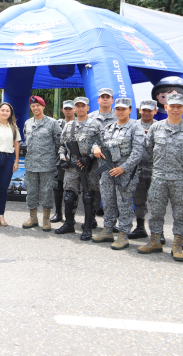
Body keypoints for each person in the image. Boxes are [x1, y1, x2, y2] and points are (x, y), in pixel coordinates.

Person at [138, 94, 183, 261]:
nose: (175, 109)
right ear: (165, 107)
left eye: (179, 107)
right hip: (158, 176)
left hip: (181, 177)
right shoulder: (156, 128)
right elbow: (148, 149)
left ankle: (177, 245)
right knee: (156, 211)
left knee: (180, 213)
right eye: (172, 106)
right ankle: (155, 241)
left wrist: (181, 167)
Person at [91, 98, 146, 249]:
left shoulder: (135, 127)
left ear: (129, 110)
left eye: (123, 109)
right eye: (118, 109)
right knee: (108, 201)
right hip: (108, 170)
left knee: (124, 202)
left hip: (125, 173)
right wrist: (95, 148)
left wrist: (123, 168)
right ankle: (108, 229)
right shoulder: (109, 127)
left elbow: (138, 151)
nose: (120, 111)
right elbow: (97, 141)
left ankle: (123, 234)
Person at [57, 96, 102, 239]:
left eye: (84, 106)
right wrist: (63, 157)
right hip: (72, 166)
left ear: (88, 108)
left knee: (89, 197)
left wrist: (90, 157)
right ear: (74, 108)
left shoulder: (95, 124)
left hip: (89, 166)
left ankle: (88, 227)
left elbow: (100, 145)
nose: (80, 108)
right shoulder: (68, 125)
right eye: (78, 106)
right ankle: (69, 223)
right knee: (69, 196)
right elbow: (62, 145)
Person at [22, 96, 63, 232]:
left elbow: (59, 143)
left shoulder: (52, 123)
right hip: (31, 164)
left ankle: (46, 219)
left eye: (38, 105)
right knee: (31, 191)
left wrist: (53, 158)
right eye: (33, 106)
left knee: (46, 192)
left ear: (43, 106)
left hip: (47, 164)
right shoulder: (27, 123)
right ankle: (33, 218)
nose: (35, 108)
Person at [129, 99, 157, 240]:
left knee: (157, 201)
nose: (146, 113)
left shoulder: (160, 126)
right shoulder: (133, 126)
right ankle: (140, 227)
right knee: (139, 200)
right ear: (140, 110)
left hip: (155, 169)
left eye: (149, 110)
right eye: (144, 110)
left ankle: (158, 232)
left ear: (155, 111)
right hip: (138, 168)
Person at [88, 87, 117, 220]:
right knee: (93, 188)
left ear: (112, 100)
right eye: (103, 97)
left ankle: (110, 222)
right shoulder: (91, 117)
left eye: (108, 97)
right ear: (98, 100)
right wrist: (94, 147)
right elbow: (87, 136)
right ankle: (92, 218)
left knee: (111, 191)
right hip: (95, 160)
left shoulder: (118, 116)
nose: (105, 99)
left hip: (112, 161)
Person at [52, 100, 75, 223]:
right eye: (66, 108)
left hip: (74, 161)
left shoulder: (79, 123)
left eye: (70, 108)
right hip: (59, 160)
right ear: (62, 110)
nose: (68, 110)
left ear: (74, 109)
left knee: (73, 190)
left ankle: (71, 216)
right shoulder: (57, 124)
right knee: (58, 187)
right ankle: (58, 213)